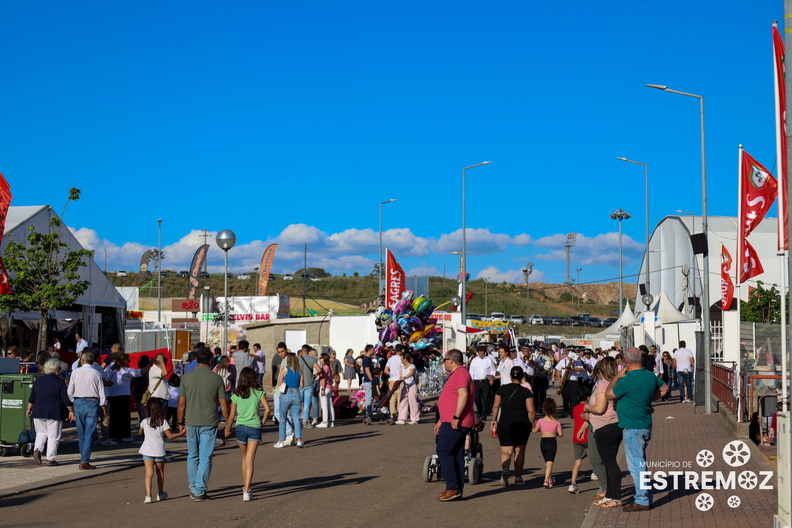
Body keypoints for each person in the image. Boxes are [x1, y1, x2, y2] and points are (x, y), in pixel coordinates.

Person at [606, 347, 668, 512]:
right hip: (645, 423)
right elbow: (664, 389)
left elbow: (608, 394)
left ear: (626, 361)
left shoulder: (627, 379)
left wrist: (617, 377)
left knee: (636, 465)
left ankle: (642, 500)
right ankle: (644, 497)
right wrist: (647, 401)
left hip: (631, 426)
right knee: (640, 462)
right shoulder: (650, 376)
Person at [177, 347, 230, 501]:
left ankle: (194, 487)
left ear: (196, 360)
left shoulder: (186, 377)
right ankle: (199, 489)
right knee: (205, 457)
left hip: (191, 421)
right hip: (209, 421)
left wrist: (180, 422)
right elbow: (224, 404)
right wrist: (228, 423)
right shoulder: (217, 379)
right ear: (211, 361)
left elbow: (181, 404)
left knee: (192, 456)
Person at [434, 349, 476, 502]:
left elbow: (463, 395)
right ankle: (456, 488)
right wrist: (442, 419)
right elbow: (451, 399)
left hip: (457, 421)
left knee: (443, 450)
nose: (443, 363)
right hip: (451, 419)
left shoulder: (460, 374)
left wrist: (456, 417)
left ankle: (452, 487)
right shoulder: (458, 374)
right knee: (455, 453)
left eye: (444, 360)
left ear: (451, 360)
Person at [224, 367, 271, 501]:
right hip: (254, 426)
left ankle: (245, 485)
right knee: (251, 459)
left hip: (240, 427)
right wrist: (263, 422)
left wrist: (228, 428)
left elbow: (232, 415)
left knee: (244, 458)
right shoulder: (258, 392)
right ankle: (247, 490)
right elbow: (267, 409)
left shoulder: (236, 394)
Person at [491, 366, 536, 487]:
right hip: (521, 421)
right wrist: (533, 422)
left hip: (505, 421)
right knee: (519, 450)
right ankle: (518, 477)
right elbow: (531, 410)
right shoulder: (526, 391)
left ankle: (506, 469)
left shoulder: (501, 389)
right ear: (522, 377)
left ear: (510, 376)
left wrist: (494, 419)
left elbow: (496, 406)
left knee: (505, 449)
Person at [585, 357, 620, 507]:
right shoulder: (615, 383)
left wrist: (587, 408)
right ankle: (610, 495)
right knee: (608, 462)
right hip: (614, 425)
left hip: (605, 426)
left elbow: (599, 409)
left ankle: (615, 497)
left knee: (610, 463)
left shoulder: (603, 385)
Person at [27, 358, 74, 466]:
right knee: (54, 436)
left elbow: (32, 397)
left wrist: (29, 409)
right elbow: (65, 398)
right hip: (55, 411)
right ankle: (50, 459)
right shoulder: (59, 382)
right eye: (59, 368)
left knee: (41, 433)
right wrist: (71, 410)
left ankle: (38, 449)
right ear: (55, 369)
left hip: (38, 411)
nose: (60, 370)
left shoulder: (38, 380)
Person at [67, 350, 108, 469]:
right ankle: (84, 459)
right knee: (89, 432)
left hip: (78, 401)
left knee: (81, 432)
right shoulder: (96, 373)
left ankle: (83, 457)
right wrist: (103, 405)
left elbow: (69, 390)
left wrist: (73, 400)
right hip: (92, 402)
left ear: (82, 360)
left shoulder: (75, 372)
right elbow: (102, 392)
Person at [139, 399, 185, 503]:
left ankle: (148, 496)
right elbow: (170, 436)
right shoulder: (163, 422)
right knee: (160, 472)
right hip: (158, 450)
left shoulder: (144, 421)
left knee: (148, 473)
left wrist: (143, 430)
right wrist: (181, 434)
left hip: (147, 450)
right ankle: (160, 493)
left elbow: (140, 431)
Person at [105, 351, 142, 442]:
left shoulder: (108, 368)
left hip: (112, 395)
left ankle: (114, 435)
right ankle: (125, 435)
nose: (128, 362)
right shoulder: (125, 370)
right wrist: (149, 363)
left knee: (114, 417)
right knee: (124, 417)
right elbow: (139, 372)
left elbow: (104, 378)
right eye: (127, 360)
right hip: (123, 395)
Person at [274, 351, 304, 448]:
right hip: (296, 393)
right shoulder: (299, 370)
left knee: (282, 419)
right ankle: (299, 439)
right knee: (296, 418)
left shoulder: (284, 369)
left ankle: (281, 441)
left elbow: (279, 383)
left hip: (286, 393)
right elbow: (301, 385)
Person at [533, 397, 563, 488]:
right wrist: (555, 433)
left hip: (543, 442)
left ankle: (550, 480)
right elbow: (561, 434)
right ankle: (546, 479)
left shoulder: (541, 420)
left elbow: (534, 431)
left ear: (544, 409)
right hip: (552, 442)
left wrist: (532, 425)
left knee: (547, 461)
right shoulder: (556, 421)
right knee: (550, 461)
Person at [568, 387, 590, 494]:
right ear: (588, 397)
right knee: (595, 458)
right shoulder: (589, 407)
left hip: (576, 438)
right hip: (587, 435)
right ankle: (596, 474)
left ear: (577, 397)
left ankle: (573, 483)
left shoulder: (575, 408)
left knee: (577, 461)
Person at [469, 344, 496, 419]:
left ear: (485, 353)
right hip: (476, 381)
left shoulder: (488, 360)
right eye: (480, 353)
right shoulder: (474, 360)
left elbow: (493, 370)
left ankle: (484, 414)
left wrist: (491, 378)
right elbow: (471, 371)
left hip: (485, 381)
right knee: (477, 398)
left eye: (482, 353)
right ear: (478, 353)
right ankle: (479, 411)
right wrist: (470, 381)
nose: (481, 355)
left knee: (485, 398)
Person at [298, 345, 320, 427]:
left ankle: (297, 419)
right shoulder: (312, 359)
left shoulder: (298, 359)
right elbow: (319, 370)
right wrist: (315, 374)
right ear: (309, 351)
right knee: (307, 403)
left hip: (299, 384)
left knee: (298, 403)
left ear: (302, 350)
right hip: (309, 383)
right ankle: (305, 421)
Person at [396, 352, 420, 424]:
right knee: (403, 401)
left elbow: (411, 372)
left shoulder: (412, 366)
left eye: (402, 358)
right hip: (404, 385)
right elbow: (400, 375)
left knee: (412, 401)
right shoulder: (402, 367)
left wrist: (405, 377)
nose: (400, 359)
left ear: (405, 359)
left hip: (412, 385)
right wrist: (401, 378)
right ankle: (402, 418)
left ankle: (414, 419)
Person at [384, 345, 404, 419]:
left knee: (392, 398)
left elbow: (385, 370)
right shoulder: (401, 359)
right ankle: (400, 415)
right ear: (402, 350)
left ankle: (392, 414)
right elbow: (403, 369)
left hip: (392, 380)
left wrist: (392, 374)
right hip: (399, 380)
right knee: (400, 398)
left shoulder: (390, 359)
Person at [316, 353, 335, 428]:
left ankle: (324, 422)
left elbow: (323, 379)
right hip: (329, 387)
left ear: (324, 358)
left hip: (324, 387)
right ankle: (331, 421)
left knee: (324, 405)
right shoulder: (329, 367)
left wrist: (322, 389)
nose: (319, 359)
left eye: (320, 357)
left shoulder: (324, 367)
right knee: (330, 404)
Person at [361, 345, 375, 415]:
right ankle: (367, 414)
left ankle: (369, 413)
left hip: (369, 381)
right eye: (373, 349)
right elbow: (367, 370)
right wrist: (372, 380)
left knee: (371, 398)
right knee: (369, 398)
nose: (374, 351)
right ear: (369, 350)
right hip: (368, 381)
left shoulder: (369, 358)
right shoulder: (366, 359)